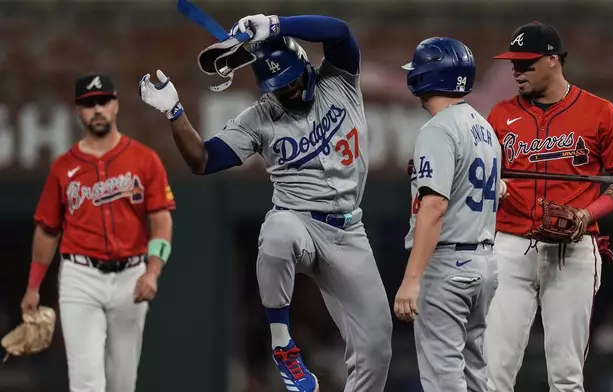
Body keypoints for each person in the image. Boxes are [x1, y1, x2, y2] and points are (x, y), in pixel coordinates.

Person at [139, 14, 392, 392]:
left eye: (292, 80)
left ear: (306, 66)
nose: (288, 90)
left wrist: (276, 24)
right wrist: (175, 113)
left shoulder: (339, 79)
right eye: (279, 86)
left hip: (348, 231)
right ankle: (282, 345)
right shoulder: (259, 117)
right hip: (300, 223)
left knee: (377, 348)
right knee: (277, 230)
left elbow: (338, 31)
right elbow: (203, 160)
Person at [483, 21, 613, 392]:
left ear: (553, 60)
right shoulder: (500, 115)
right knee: (493, 374)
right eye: (513, 63)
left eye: (526, 63)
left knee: (567, 377)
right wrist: (494, 186)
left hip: (573, 251)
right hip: (511, 246)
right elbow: (483, 178)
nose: (516, 71)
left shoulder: (601, 113)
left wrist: (588, 214)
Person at [21, 73, 176, 392]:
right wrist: (33, 286)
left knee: (122, 382)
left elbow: (161, 220)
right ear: (78, 110)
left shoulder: (144, 159)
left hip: (131, 274)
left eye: (103, 101)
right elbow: (47, 230)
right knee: (86, 380)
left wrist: (153, 272)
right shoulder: (63, 167)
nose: (97, 109)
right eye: (89, 104)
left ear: (116, 105)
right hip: (80, 276)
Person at [394, 37, 501, 392]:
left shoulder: (439, 128)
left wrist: (412, 278)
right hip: (483, 265)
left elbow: (434, 206)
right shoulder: (484, 127)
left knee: (444, 381)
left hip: (448, 265)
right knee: (474, 377)